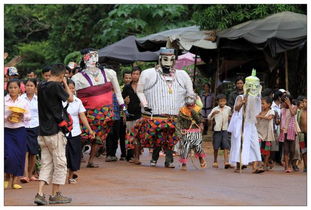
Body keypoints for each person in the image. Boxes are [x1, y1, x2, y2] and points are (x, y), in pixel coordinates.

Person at [131, 47, 195, 168]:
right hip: (155, 115)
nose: (168, 62)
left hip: (174, 115)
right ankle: (154, 158)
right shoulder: (148, 73)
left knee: (171, 139)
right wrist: (145, 105)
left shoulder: (182, 75)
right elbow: (140, 91)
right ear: (160, 59)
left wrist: (190, 104)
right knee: (157, 138)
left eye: (171, 59)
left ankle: (169, 160)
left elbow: (190, 93)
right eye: (165, 59)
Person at [71, 48, 125, 168]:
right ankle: (76, 157)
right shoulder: (77, 78)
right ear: (84, 59)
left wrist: (123, 106)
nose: (93, 59)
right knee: (83, 137)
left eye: (95, 56)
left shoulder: (109, 73)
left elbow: (117, 92)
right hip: (86, 114)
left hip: (105, 113)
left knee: (99, 138)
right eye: (89, 57)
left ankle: (91, 160)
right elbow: (74, 98)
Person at [34, 64, 73, 205]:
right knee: (60, 163)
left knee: (46, 163)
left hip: (43, 131)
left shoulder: (42, 86)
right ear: (62, 75)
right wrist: (65, 84)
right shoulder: (56, 86)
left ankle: (39, 193)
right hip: (54, 131)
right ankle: (55, 194)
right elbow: (70, 98)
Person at [228, 69, 263, 173]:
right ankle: (238, 165)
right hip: (240, 124)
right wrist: (242, 103)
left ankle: (255, 167)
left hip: (250, 124)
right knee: (240, 143)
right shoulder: (240, 97)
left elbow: (257, 111)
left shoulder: (256, 98)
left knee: (254, 144)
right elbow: (236, 109)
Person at [64, 79, 95, 184]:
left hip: (75, 131)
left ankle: (71, 175)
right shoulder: (60, 101)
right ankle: (61, 174)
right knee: (63, 155)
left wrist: (89, 130)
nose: (71, 90)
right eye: (69, 88)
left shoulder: (78, 101)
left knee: (75, 154)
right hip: (62, 132)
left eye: (72, 88)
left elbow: (82, 116)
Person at [4, 79, 31, 189]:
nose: (13, 89)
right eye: (11, 87)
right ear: (7, 89)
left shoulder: (23, 101)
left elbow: (29, 117)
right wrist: (7, 117)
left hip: (20, 130)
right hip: (6, 130)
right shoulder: (4, 100)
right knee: (8, 155)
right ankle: (6, 177)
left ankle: (14, 180)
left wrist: (21, 116)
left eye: (15, 87)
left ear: (20, 89)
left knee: (19, 155)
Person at [175, 93, 206, 169]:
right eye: (188, 105)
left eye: (191, 105)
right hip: (186, 131)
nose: (189, 107)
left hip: (196, 131)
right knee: (185, 147)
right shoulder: (182, 111)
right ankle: (184, 164)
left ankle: (201, 159)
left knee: (198, 146)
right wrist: (178, 133)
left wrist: (193, 112)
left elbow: (199, 120)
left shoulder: (198, 109)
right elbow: (178, 122)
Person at [20, 79, 40, 183]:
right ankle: (25, 175)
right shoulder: (21, 99)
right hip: (23, 126)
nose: (29, 87)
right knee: (25, 151)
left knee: (33, 152)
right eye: (27, 85)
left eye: (31, 85)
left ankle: (31, 174)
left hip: (36, 127)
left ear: (35, 87)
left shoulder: (38, 99)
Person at [122, 67, 142, 164]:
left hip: (140, 115)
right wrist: (124, 113)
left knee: (137, 137)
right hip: (129, 115)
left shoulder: (143, 86)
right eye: (133, 74)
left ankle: (137, 157)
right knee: (130, 137)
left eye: (137, 74)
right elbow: (122, 103)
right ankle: (130, 156)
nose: (135, 76)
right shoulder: (126, 87)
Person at [208, 94, 232, 169]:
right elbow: (209, 118)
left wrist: (229, 118)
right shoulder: (215, 109)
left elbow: (231, 116)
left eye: (224, 101)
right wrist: (213, 114)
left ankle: (226, 161)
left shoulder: (228, 109)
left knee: (226, 146)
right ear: (217, 102)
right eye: (220, 101)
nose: (222, 103)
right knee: (216, 146)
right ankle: (215, 161)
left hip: (225, 130)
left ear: (226, 101)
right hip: (217, 130)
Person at [278, 94, 300, 173]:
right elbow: (281, 120)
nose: (284, 103)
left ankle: (290, 163)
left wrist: (289, 104)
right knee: (286, 149)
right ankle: (287, 166)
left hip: (292, 130)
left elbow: (293, 113)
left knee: (292, 150)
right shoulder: (282, 110)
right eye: (283, 102)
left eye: (285, 102)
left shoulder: (294, 107)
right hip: (285, 131)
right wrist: (280, 127)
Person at [256, 96, 275, 171]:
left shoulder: (271, 111)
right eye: (261, 103)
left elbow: (270, 118)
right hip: (259, 133)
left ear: (269, 104)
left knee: (266, 151)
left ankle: (266, 163)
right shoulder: (259, 111)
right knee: (258, 149)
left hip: (267, 134)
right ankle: (261, 163)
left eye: (263, 103)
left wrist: (260, 116)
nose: (262, 105)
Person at [270, 90, 283, 168]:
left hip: (280, 128)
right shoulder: (271, 106)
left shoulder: (282, 106)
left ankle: (277, 160)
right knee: (273, 145)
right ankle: (271, 160)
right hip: (273, 128)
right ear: (279, 97)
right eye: (282, 97)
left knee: (279, 145)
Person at [296, 96, 307, 172]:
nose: (304, 103)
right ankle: (306, 166)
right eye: (303, 102)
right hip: (302, 135)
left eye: (306, 102)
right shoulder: (299, 112)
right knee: (304, 151)